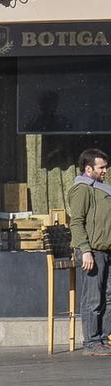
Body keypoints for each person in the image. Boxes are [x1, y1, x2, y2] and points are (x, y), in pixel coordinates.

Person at [70, 149, 111, 348]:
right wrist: (85, 250)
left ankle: (103, 337)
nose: (105, 170)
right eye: (101, 167)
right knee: (93, 298)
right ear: (88, 169)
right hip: (93, 251)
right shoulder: (82, 189)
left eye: (105, 167)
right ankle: (92, 341)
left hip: (107, 249)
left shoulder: (101, 188)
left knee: (108, 297)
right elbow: (76, 222)